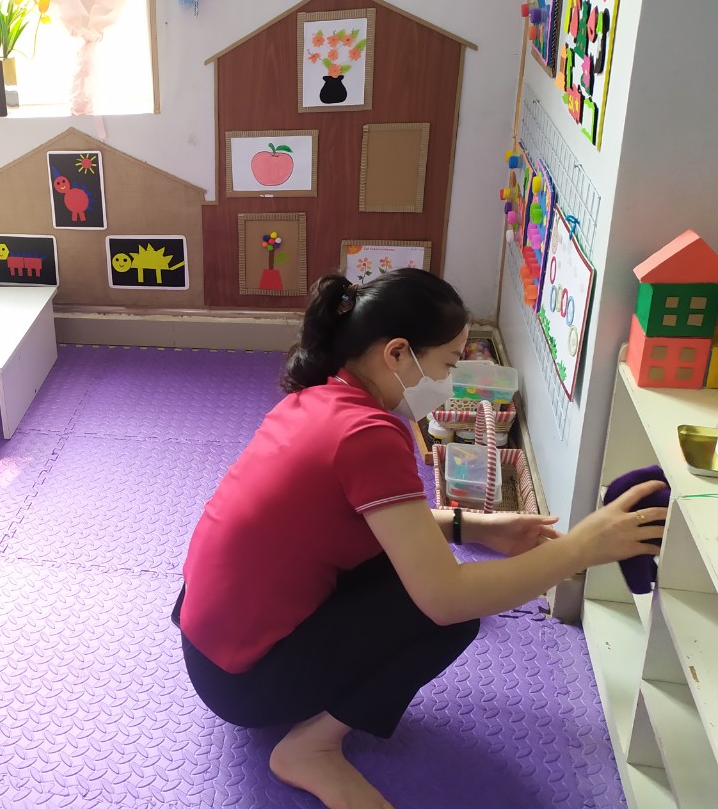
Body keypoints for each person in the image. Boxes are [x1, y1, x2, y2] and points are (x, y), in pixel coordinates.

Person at [175, 269, 666, 809]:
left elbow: (356, 514)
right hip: (244, 683)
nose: (451, 382)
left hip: (208, 642)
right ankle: (310, 748)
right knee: (449, 615)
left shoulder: (321, 397)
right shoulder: (369, 435)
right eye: (449, 364)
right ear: (397, 353)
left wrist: (471, 525)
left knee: (414, 571)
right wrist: (586, 545)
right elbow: (446, 599)